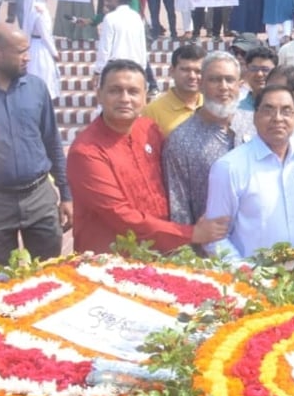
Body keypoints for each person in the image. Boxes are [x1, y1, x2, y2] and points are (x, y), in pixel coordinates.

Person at [68, 59, 229, 254]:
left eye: (133, 91)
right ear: (99, 95)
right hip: (111, 259)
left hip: (159, 251)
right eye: (115, 91)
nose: (125, 99)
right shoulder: (87, 152)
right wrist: (190, 233)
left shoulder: (149, 129)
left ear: (145, 97)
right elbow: (119, 215)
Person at [0, 24, 71, 264]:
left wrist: (67, 195)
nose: (28, 57)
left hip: (39, 198)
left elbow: (52, 143)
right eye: (21, 52)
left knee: (50, 273)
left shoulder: (36, 88)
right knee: (1, 282)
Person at [204, 85, 294, 259]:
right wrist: (246, 273)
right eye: (268, 111)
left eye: (286, 111)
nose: (278, 118)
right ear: (255, 117)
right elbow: (214, 238)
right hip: (253, 279)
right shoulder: (229, 167)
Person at [163, 51, 255, 225]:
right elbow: (178, 206)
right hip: (212, 246)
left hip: (261, 243)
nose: (223, 87)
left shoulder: (254, 124)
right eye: (214, 80)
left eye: (229, 80)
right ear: (201, 85)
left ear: (239, 85)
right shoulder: (181, 139)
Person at [143, 43, 206, 136]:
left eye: (198, 71)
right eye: (185, 70)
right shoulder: (152, 112)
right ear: (172, 71)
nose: (192, 76)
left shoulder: (213, 106)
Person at [20, 0, 60, 100]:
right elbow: (45, 35)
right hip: (41, 49)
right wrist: (54, 53)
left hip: (32, 46)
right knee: (43, 77)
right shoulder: (39, 11)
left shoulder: (31, 10)